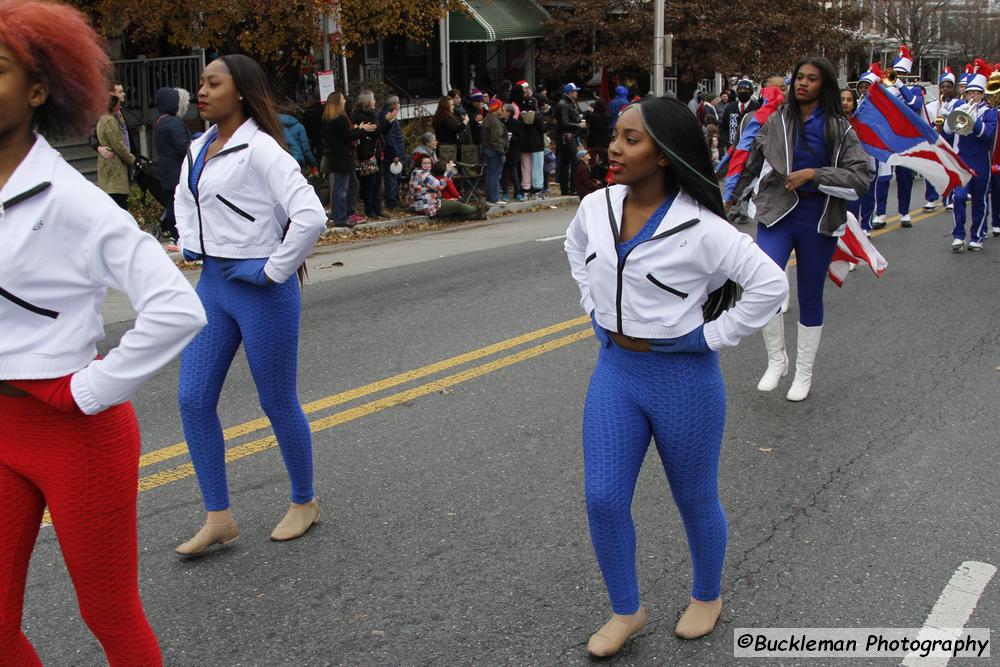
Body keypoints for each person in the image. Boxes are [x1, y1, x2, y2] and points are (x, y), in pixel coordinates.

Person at [0, 2, 207, 663]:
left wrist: (90, 388)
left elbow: (178, 307)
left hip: (76, 432)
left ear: (38, 90)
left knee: (109, 615)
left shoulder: (74, 202)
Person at [564, 96, 788, 658]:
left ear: (663, 154)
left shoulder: (703, 227)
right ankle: (626, 610)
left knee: (693, 496)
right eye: (615, 135)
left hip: (684, 380)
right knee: (602, 498)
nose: (614, 148)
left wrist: (709, 338)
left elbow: (770, 286)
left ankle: (706, 596)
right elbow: (576, 252)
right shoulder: (595, 208)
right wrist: (595, 310)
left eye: (631, 139)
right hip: (616, 371)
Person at [174, 53, 327, 556]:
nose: (202, 91)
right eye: (200, 83)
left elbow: (310, 215)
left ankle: (304, 501)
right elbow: (183, 197)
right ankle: (219, 516)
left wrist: (271, 269)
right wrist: (190, 240)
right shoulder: (197, 146)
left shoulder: (261, 149)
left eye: (213, 83)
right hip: (214, 285)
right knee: (193, 399)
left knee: (276, 401)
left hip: (261, 290)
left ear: (239, 91)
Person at [730, 56, 869, 401]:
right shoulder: (775, 120)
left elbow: (860, 177)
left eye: (811, 78)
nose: (802, 83)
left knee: (809, 296)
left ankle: (804, 374)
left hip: (818, 217)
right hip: (777, 212)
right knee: (763, 285)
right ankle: (777, 360)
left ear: (825, 85)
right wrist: (726, 200)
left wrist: (814, 175)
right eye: (798, 78)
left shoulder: (839, 127)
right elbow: (750, 165)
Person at [944, 61, 997, 252]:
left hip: (981, 160)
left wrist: (972, 120)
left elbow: (987, 135)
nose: (972, 96)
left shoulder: (990, 113)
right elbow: (947, 130)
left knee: (979, 199)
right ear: (965, 94)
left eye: (976, 93)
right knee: (958, 197)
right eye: (969, 93)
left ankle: (977, 236)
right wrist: (957, 116)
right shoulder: (959, 106)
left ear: (983, 94)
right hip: (962, 159)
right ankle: (958, 235)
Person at [322, 91, 377, 228]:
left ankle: (348, 212)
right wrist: (363, 130)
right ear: (337, 102)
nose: (345, 101)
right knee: (341, 188)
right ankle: (340, 217)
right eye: (342, 99)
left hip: (338, 157)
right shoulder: (339, 118)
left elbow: (344, 134)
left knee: (353, 183)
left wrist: (359, 128)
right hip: (342, 158)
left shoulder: (330, 118)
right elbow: (348, 136)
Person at [154, 86, 191, 246]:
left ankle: (174, 234)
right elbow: (183, 147)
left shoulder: (160, 122)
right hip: (177, 170)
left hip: (166, 169)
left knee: (172, 202)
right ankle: (178, 234)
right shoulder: (173, 123)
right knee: (178, 203)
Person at [856, 64, 891, 232]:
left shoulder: (879, 108)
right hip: (854, 153)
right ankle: (853, 225)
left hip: (871, 153)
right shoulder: (854, 103)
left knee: (869, 190)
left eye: (867, 87)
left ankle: (866, 225)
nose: (863, 90)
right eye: (861, 87)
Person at [409, 157, 486, 219]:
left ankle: (477, 216)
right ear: (420, 164)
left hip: (422, 205)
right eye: (424, 163)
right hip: (427, 206)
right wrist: (448, 172)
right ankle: (479, 209)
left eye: (429, 163)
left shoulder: (416, 172)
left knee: (453, 210)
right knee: (457, 205)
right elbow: (440, 186)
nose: (427, 165)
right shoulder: (423, 174)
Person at [96, 94, 135, 210]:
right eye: (118, 105)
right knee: (119, 201)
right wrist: (132, 158)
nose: (119, 107)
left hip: (106, 164)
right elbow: (117, 144)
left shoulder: (102, 118)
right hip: (113, 166)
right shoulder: (109, 121)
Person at [929, 67, 959, 212]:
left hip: (952, 139)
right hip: (938, 138)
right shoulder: (935, 104)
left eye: (948, 87)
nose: (945, 89)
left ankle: (950, 198)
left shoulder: (958, 103)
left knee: (950, 169)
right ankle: (931, 198)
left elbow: (958, 120)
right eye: (942, 87)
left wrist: (946, 112)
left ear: (953, 88)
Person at [352, 90, 385, 219]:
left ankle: (377, 208)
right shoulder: (362, 116)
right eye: (373, 99)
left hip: (375, 151)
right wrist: (386, 121)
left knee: (377, 182)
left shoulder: (372, 114)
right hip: (368, 153)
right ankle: (369, 209)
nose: (375, 101)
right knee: (369, 183)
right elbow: (375, 132)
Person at [557, 83, 586, 195]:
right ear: (570, 92)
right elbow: (564, 122)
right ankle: (573, 188)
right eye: (575, 91)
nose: (577, 93)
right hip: (568, 136)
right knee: (574, 162)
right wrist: (579, 125)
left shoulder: (566, 103)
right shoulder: (564, 104)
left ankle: (565, 189)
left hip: (566, 136)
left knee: (565, 162)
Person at [518, 83, 547, 198]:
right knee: (537, 167)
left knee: (525, 167)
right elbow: (543, 129)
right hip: (537, 145)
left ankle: (526, 189)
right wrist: (549, 123)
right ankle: (538, 189)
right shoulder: (538, 116)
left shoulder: (521, 116)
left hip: (524, 146)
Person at [482, 98, 509, 205]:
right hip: (494, 151)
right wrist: (501, 152)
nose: (502, 110)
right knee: (495, 175)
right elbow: (496, 139)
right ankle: (494, 198)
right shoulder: (494, 121)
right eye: (500, 107)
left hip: (488, 149)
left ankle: (490, 197)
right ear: (496, 108)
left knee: (490, 174)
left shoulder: (487, 119)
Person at [379, 95, 404, 210]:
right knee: (392, 180)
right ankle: (392, 203)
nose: (399, 105)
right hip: (392, 154)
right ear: (394, 104)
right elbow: (390, 138)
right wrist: (395, 154)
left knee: (395, 179)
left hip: (394, 152)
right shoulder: (389, 116)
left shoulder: (388, 114)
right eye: (398, 103)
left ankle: (394, 201)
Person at [278, 103, 318, 173]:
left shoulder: (274, 127)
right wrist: (313, 164)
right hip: (297, 161)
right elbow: (306, 149)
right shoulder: (299, 127)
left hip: (282, 162)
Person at [719, 78, 756, 153]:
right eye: (740, 90)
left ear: (751, 92)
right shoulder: (730, 108)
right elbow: (723, 127)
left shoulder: (756, 107)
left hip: (750, 150)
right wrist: (727, 142)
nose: (742, 92)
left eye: (746, 90)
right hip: (732, 148)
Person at [502, 103, 526, 201]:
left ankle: (518, 192)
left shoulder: (517, 123)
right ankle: (505, 192)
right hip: (503, 151)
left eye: (503, 110)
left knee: (514, 172)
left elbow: (521, 138)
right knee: (504, 173)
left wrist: (511, 139)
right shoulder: (501, 122)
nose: (501, 112)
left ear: (508, 112)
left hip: (514, 151)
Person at [433, 95, 465, 163]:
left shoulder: (438, 116)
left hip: (442, 145)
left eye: (453, 104)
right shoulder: (446, 117)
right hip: (448, 147)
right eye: (451, 105)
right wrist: (465, 122)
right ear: (445, 107)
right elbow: (457, 128)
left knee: (445, 168)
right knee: (450, 169)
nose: (453, 106)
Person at [585, 97, 613, 164]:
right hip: (605, 141)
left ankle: (592, 173)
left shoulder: (592, 116)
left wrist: (588, 111)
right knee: (606, 161)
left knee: (592, 161)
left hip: (593, 142)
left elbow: (585, 119)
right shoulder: (609, 115)